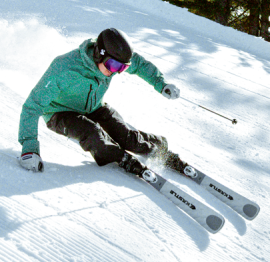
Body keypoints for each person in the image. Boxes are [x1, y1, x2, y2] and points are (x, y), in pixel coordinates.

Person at [17, 28, 184, 176]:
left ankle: (158, 147)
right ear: (98, 54)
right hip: (59, 113)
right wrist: (29, 150)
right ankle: (121, 158)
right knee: (94, 135)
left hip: (94, 107)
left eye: (122, 68)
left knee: (126, 137)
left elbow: (138, 64)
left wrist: (161, 84)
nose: (115, 72)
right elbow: (32, 107)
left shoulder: (112, 63)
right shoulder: (64, 67)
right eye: (113, 65)